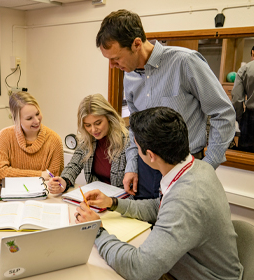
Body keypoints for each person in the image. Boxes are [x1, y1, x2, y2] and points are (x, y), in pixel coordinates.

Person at [75, 107, 243, 280]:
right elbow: (160, 206)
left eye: (137, 147)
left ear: (150, 155)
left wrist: (97, 230)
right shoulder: (197, 168)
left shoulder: (186, 200)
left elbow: (140, 270)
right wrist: (113, 202)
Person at [96, 9, 236, 198]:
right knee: (142, 225)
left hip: (184, 168)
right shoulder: (129, 76)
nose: (112, 66)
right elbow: (134, 128)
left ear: (136, 44)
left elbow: (223, 113)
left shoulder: (185, 62)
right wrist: (132, 165)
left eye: (116, 58)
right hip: (145, 170)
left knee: (177, 227)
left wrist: (208, 166)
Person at [47, 94, 129, 194]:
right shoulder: (87, 140)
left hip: (119, 203)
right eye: (88, 125)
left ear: (108, 117)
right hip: (95, 198)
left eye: (98, 123)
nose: (93, 130)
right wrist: (63, 182)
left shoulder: (126, 141)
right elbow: (73, 166)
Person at [0, 91, 64, 181]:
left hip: (44, 194)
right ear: (17, 119)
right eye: (29, 118)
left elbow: (53, 178)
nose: (37, 121)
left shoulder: (54, 140)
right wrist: (39, 174)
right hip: (12, 193)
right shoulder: (5, 136)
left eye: (37, 114)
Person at [232, 59, 254, 152]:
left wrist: (240, 118)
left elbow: (237, 99)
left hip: (251, 118)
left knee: (246, 156)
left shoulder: (245, 69)